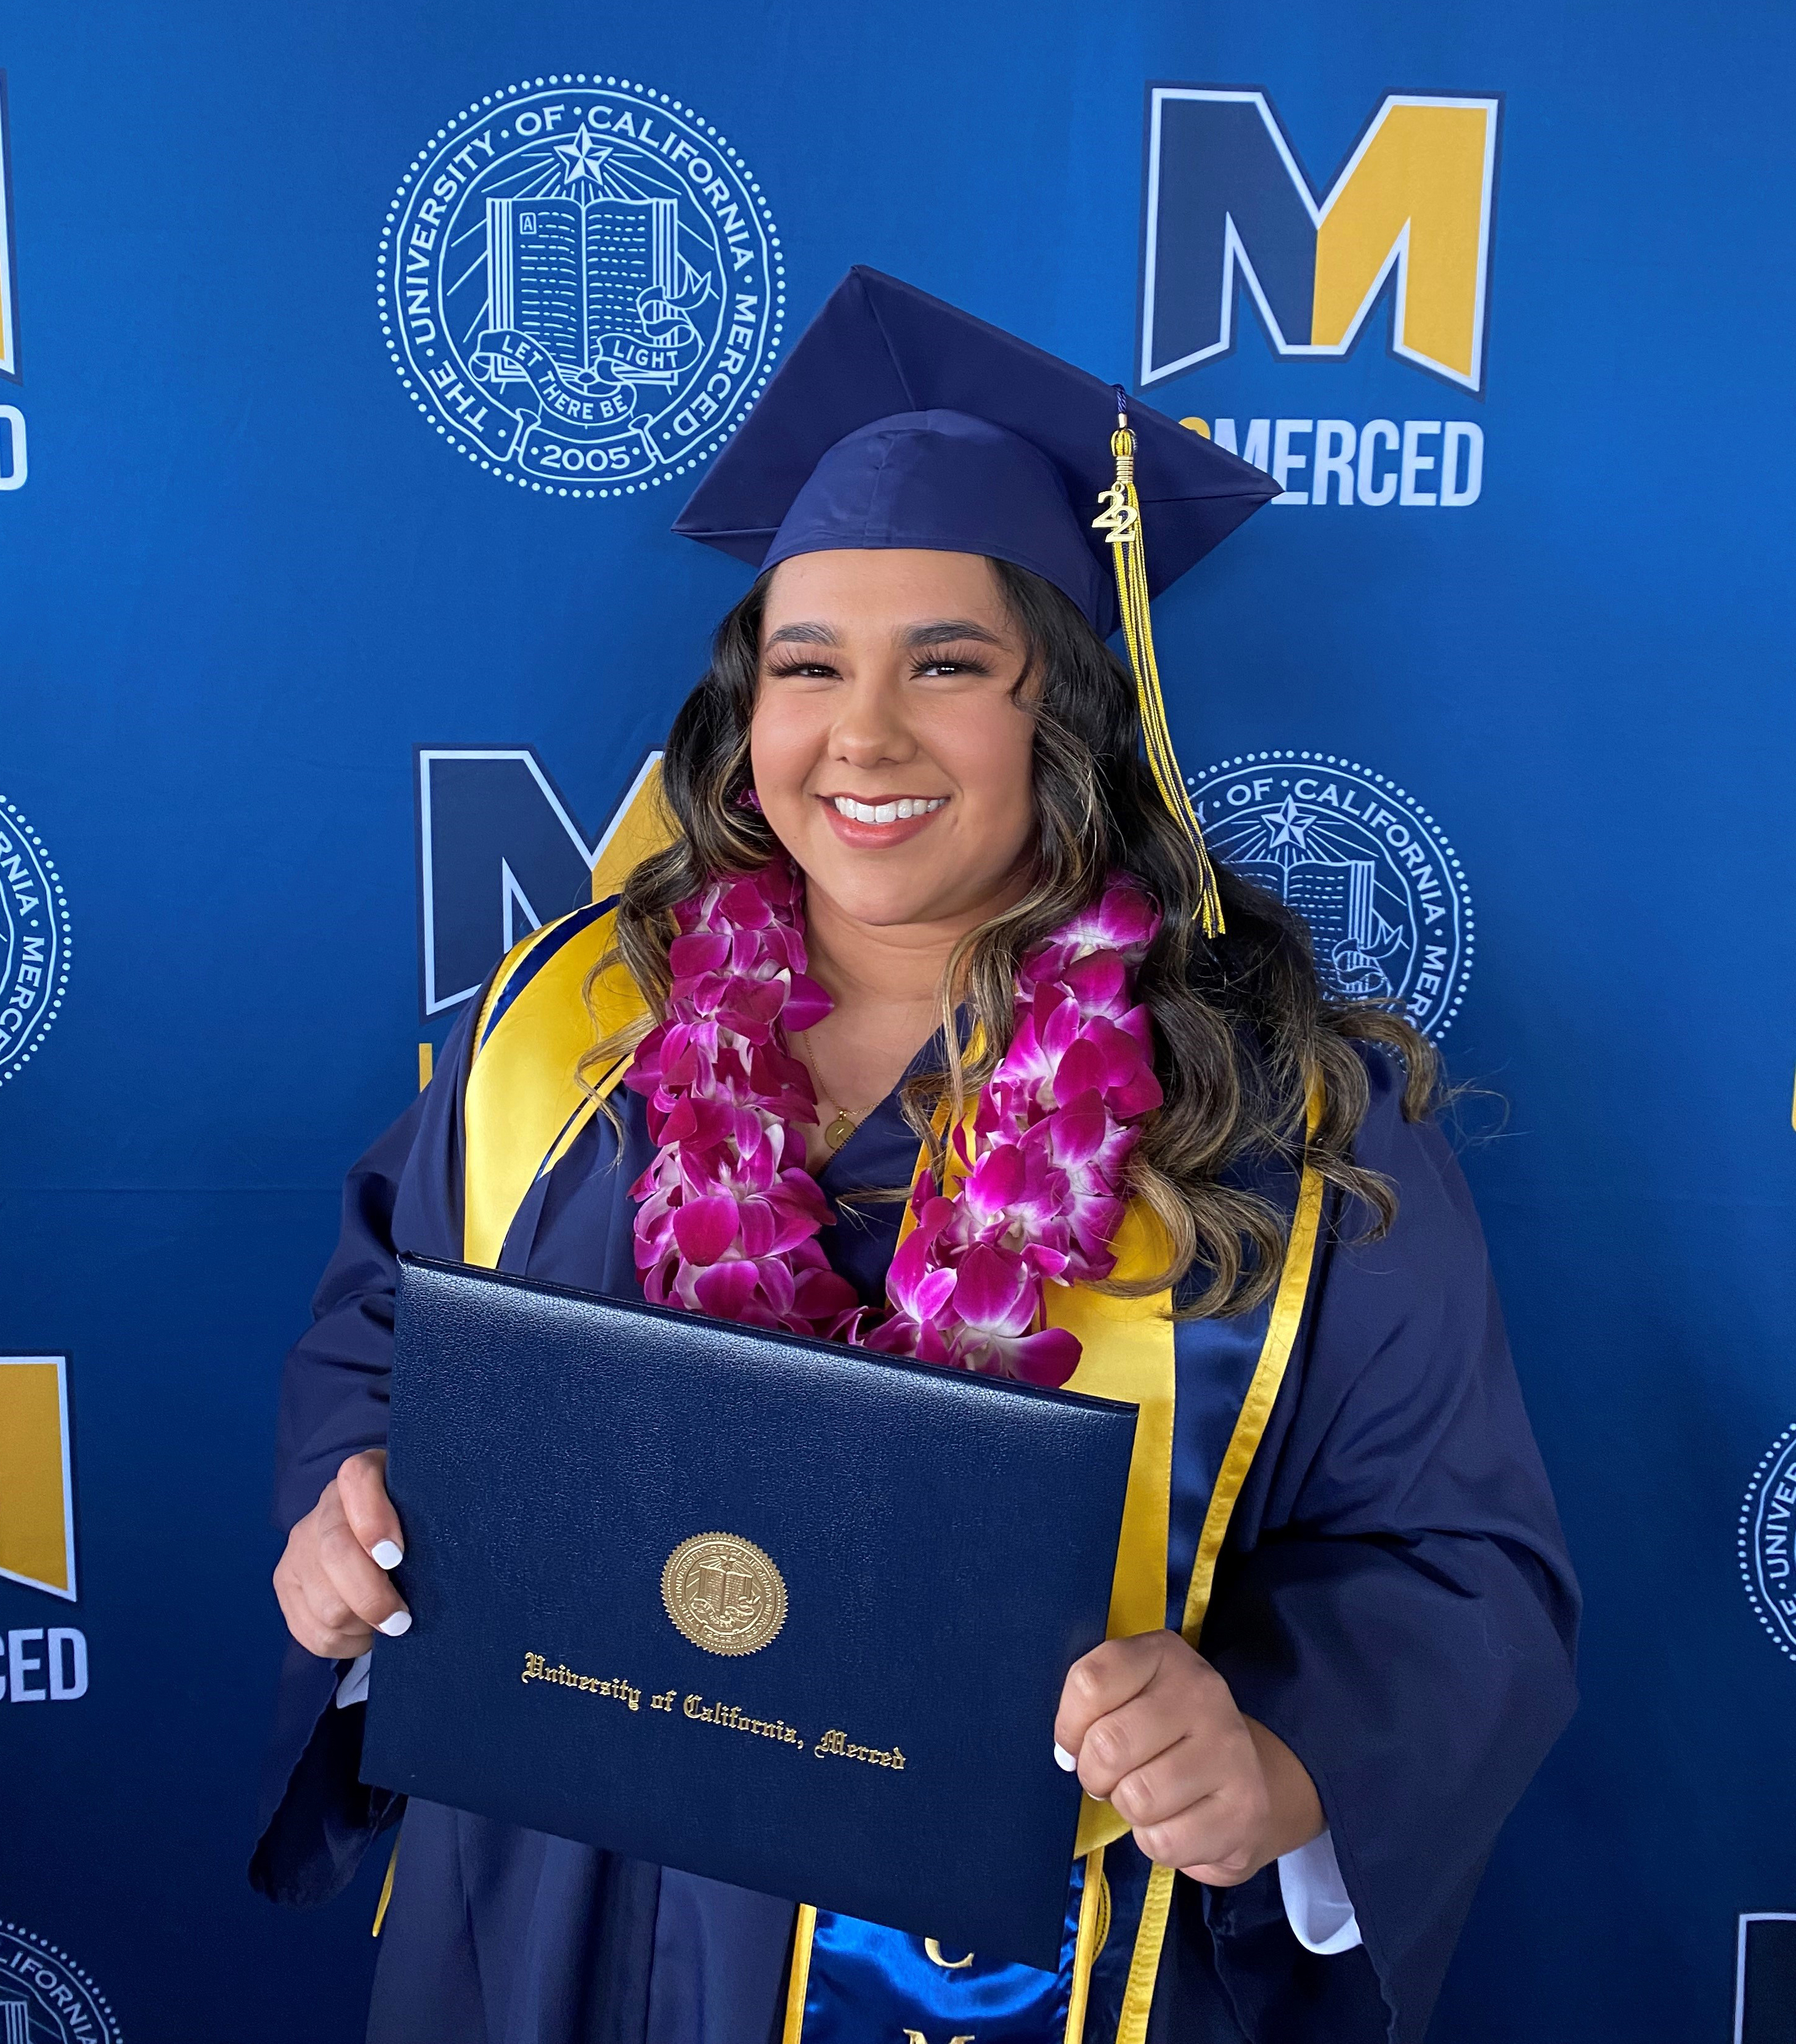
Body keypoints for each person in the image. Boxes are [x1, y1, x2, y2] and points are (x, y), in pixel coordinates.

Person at [251, 269, 1578, 2044]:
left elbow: (1451, 1566)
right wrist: (344, 1515)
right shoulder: (567, 1034)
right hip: (560, 1917)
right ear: (746, 713)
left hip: (1014, 1959)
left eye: (947, 666)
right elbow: (378, 1345)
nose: (861, 737)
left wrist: (1270, 1752)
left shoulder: (1278, 1121)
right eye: (809, 667)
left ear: (1070, 718)